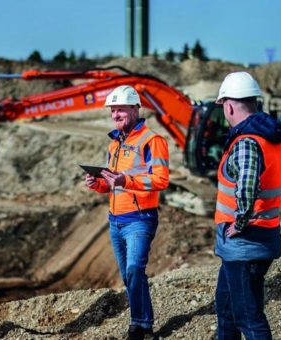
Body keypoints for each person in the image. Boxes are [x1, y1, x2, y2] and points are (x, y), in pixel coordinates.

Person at [85, 85, 169, 340]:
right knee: (128, 275)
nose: (116, 114)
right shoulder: (114, 144)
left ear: (135, 108)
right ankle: (142, 323)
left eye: (120, 109)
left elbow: (161, 179)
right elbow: (112, 183)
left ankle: (139, 324)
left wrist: (125, 181)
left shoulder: (152, 141)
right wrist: (98, 183)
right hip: (115, 220)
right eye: (113, 110)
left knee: (134, 269)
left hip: (140, 218)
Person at [213, 71, 281, 339]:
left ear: (230, 105)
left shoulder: (246, 142)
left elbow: (246, 186)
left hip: (245, 243)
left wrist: (241, 221)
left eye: (223, 106)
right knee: (226, 308)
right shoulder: (269, 139)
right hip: (255, 241)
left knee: (248, 318)